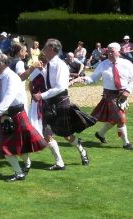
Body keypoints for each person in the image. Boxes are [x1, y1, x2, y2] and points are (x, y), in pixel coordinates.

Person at [32, 38, 95, 170]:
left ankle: (81, 149)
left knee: (66, 135)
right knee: (47, 133)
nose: (43, 48)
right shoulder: (48, 64)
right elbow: (48, 80)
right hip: (49, 103)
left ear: (51, 49)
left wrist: (41, 95)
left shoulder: (60, 65)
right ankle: (59, 162)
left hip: (61, 102)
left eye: (45, 47)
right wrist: (40, 70)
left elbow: (60, 86)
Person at [72, 42, 133, 150]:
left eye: (112, 51)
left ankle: (100, 134)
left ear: (119, 52)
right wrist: (82, 79)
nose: (110, 53)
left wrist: (128, 91)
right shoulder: (103, 65)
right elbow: (93, 78)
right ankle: (126, 143)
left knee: (115, 119)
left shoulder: (127, 64)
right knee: (121, 119)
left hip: (123, 95)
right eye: (108, 51)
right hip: (109, 96)